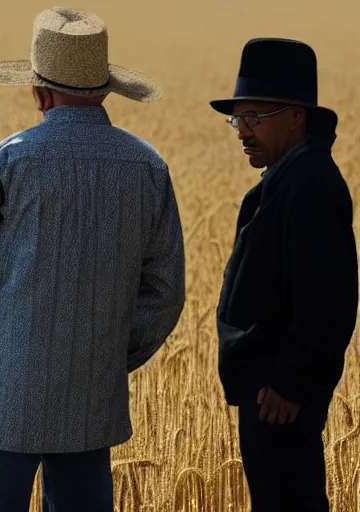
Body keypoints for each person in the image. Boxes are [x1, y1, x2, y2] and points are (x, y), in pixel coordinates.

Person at [0, 7, 185, 511]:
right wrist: (104, 354)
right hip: (91, 409)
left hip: (2, 405)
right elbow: (165, 294)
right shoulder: (148, 168)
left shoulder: (6, 162)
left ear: (38, 91)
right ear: (106, 89)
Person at [210, 38, 358, 511]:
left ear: (297, 115)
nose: (242, 132)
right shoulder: (291, 176)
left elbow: (327, 297)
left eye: (256, 118)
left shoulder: (309, 185)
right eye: (238, 119)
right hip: (270, 391)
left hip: (280, 399)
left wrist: (293, 381)